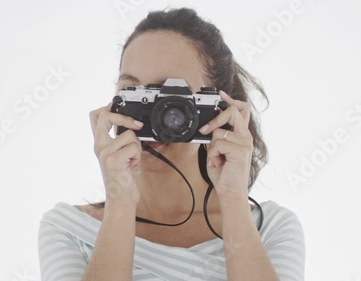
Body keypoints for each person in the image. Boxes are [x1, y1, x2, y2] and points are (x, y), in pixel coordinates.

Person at [38, 7, 305, 281]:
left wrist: (233, 200)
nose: (157, 114)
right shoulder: (69, 229)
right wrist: (120, 204)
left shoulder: (270, 228)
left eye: (170, 95)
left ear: (218, 109)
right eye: (133, 90)